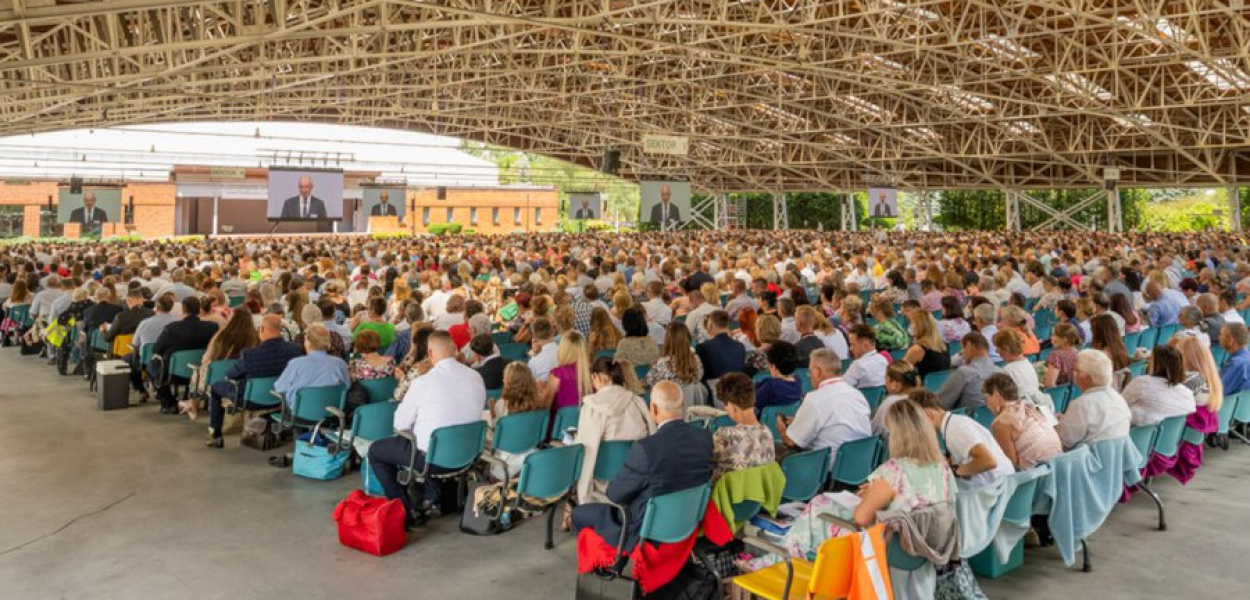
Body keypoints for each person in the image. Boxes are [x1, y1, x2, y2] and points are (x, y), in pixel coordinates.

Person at [571, 380, 713, 553]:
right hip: (688, 520)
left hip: (644, 527)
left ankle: (603, 567)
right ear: (682, 405)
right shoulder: (705, 438)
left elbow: (614, 495)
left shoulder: (646, 449)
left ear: (652, 409)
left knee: (578, 513)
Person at [369, 331, 485, 526]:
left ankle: (407, 511)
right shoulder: (475, 377)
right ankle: (435, 497)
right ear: (455, 349)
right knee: (428, 437)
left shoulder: (422, 383)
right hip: (468, 455)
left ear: (430, 353)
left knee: (376, 451)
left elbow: (400, 425)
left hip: (432, 460)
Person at [852, 399, 956, 529]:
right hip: (934, 543)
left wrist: (869, 494)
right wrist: (875, 490)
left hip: (893, 545)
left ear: (895, 435)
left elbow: (861, 518)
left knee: (821, 511)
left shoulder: (893, 471)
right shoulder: (943, 466)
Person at [205, 314, 303, 448]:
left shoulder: (250, 354)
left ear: (262, 329)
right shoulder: (295, 349)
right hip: (282, 398)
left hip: (250, 400)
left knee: (216, 387)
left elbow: (231, 374)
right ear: (281, 330)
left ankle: (216, 435)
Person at [574, 357, 654, 500]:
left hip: (604, 478)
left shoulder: (591, 407)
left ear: (595, 377)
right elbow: (652, 436)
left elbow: (586, 450)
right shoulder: (637, 402)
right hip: (636, 476)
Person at [777, 349, 872, 470]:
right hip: (859, 464)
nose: (809, 376)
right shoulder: (857, 395)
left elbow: (791, 441)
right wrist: (799, 420)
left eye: (810, 372)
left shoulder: (815, 399)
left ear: (817, 372)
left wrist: (782, 431)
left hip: (828, 468)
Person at [910, 389, 1015, 486]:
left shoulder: (954, 428)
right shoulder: (954, 422)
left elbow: (988, 461)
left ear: (928, 415)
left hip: (997, 487)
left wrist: (956, 471)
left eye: (916, 423)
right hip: (1001, 482)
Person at [149, 296, 219, 414]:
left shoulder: (172, 328)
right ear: (199, 310)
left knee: (152, 365)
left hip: (174, 374)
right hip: (201, 372)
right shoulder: (212, 327)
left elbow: (156, 350)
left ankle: (168, 403)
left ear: (183, 310)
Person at [184, 307, 259, 418]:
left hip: (214, 380)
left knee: (199, 371)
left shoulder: (221, 336)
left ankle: (193, 403)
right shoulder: (255, 338)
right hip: (242, 382)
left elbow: (205, 359)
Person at [981, 372, 1063, 471]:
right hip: (1059, 465)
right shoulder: (1033, 408)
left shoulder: (1001, 423)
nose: (986, 405)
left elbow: (1011, 465)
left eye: (986, 398)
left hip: (1037, 475)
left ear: (996, 396)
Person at [1056, 349, 1133, 449]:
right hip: (1114, 459)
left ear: (1087, 377)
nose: (1073, 372)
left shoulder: (1081, 404)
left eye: (1076, 369)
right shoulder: (1118, 398)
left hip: (1089, 461)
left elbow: (1064, 441)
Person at [487, 362, 548, 481]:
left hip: (506, 460)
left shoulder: (503, 404)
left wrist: (492, 410)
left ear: (508, 382)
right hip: (530, 456)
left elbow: (497, 428)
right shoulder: (538, 404)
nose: (503, 380)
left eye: (505, 377)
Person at [712, 373, 775, 479]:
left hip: (729, 493)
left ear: (733, 406)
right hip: (758, 493)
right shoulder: (767, 433)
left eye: (725, 404)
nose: (725, 408)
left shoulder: (724, 435)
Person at [273, 324, 351, 409]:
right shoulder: (340, 364)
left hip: (299, 414)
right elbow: (346, 386)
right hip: (331, 414)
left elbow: (279, 387)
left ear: (309, 343)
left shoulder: (295, 364)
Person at [1121, 345, 1196, 426]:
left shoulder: (1142, 383)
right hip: (1169, 438)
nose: (1148, 361)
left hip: (1131, 433)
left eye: (1151, 360)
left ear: (1157, 364)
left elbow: (1120, 404)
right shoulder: (1187, 395)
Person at [540, 330, 592, 431]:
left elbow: (545, 407)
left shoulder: (558, 374)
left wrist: (542, 391)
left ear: (563, 349)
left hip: (557, 431)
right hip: (584, 429)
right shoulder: (592, 374)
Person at [936, 331, 1000, 411]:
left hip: (965, 420)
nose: (962, 354)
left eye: (962, 348)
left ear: (969, 346)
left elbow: (941, 403)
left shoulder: (963, 372)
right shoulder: (1000, 372)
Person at [696, 310, 746, 385]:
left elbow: (701, 376)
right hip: (737, 389)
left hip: (714, 392)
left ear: (710, 325)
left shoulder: (703, 347)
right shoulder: (740, 346)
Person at [754, 341, 803, 415]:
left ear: (773, 367)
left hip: (763, 423)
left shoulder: (770, 386)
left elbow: (752, 405)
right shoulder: (798, 381)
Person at [874, 361, 920, 434]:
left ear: (893, 384)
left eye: (885, 378)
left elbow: (875, 430)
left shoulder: (890, 402)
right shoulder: (919, 399)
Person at [903, 310, 951, 377]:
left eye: (912, 323)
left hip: (924, 386)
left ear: (918, 327)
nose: (911, 327)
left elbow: (901, 370)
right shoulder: (944, 345)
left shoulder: (918, 349)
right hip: (942, 385)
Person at [844, 324, 888, 389]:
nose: (851, 348)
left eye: (853, 344)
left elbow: (842, 387)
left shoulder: (858, 365)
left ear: (866, 345)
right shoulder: (883, 360)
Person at [1043, 322, 1081, 387]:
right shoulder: (1080, 354)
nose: (1051, 338)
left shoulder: (1056, 355)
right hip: (1070, 395)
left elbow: (1050, 384)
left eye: (1054, 335)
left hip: (1055, 395)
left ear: (1064, 340)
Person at [1220, 323, 1250, 395]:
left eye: (1222, 335)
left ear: (1230, 340)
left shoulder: (1236, 364)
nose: (1219, 338)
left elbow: (1218, 390)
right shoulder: (1244, 358)